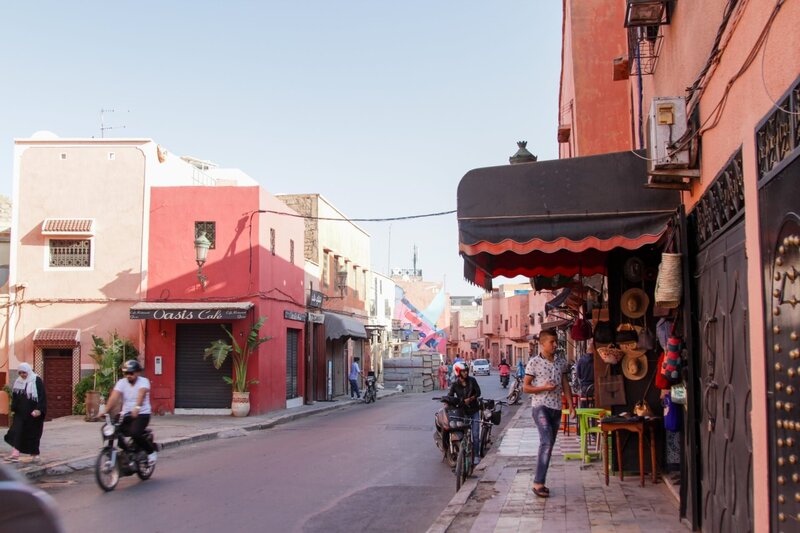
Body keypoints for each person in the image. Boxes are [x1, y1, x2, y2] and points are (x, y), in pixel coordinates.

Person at [522, 328, 575, 498]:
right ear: (542, 343)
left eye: (556, 342)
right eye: (551, 342)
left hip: (557, 408)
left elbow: (565, 384)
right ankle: (538, 484)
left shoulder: (561, 362)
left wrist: (571, 405)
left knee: (550, 444)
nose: (554, 345)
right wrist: (544, 387)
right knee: (545, 441)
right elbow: (526, 387)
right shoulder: (534, 363)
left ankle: (541, 482)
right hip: (540, 407)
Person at [104, 360, 157, 465]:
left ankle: (151, 453)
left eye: (131, 373)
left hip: (142, 414)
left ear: (138, 372)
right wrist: (104, 411)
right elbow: (114, 397)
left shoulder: (144, 381)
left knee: (135, 433)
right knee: (108, 429)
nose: (128, 375)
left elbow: (141, 395)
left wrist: (137, 407)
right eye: (126, 373)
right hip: (126, 414)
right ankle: (112, 453)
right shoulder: (121, 383)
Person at [3, 363, 46, 463]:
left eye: (24, 372)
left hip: (33, 413)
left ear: (28, 371)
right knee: (17, 432)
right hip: (20, 413)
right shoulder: (18, 382)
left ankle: (35, 455)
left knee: (33, 434)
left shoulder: (36, 380)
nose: (22, 374)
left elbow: (42, 396)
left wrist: (39, 409)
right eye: (20, 372)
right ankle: (15, 453)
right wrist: (13, 408)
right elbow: (15, 397)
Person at [447, 361, 483, 465]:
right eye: (463, 371)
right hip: (462, 413)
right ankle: (462, 453)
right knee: (462, 434)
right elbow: (450, 396)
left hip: (474, 410)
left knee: (475, 434)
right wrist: (448, 402)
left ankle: (476, 455)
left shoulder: (472, 380)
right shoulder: (454, 385)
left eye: (466, 371)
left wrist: (471, 398)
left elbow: (478, 392)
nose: (466, 373)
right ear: (458, 372)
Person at [576, 340, 595, 407]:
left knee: (584, 405)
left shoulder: (581, 360)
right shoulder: (597, 360)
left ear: (587, 350)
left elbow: (578, 374)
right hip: (595, 386)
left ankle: (584, 416)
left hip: (585, 386)